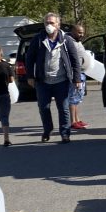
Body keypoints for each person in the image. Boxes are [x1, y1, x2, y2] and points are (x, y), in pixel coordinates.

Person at [24, 13, 81, 144]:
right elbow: (29, 58)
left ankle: (65, 133)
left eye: (52, 23)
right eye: (46, 23)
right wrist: (30, 76)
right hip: (43, 81)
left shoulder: (66, 40)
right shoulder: (38, 39)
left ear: (58, 25)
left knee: (64, 108)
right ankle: (47, 130)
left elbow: (75, 60)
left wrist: (76, 79)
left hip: (61, 81)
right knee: (43, 108)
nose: (49, 26)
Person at [67, 23, 89, 130]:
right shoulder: (69, 41)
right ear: (73, 31)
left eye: (82, 33)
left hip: (81, 73)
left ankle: (77, 119)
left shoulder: (77, 42)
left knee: (78, 98)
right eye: (79, 32)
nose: (81, 35)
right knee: (72, 98)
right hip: (74, 74)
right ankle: (73, 121)